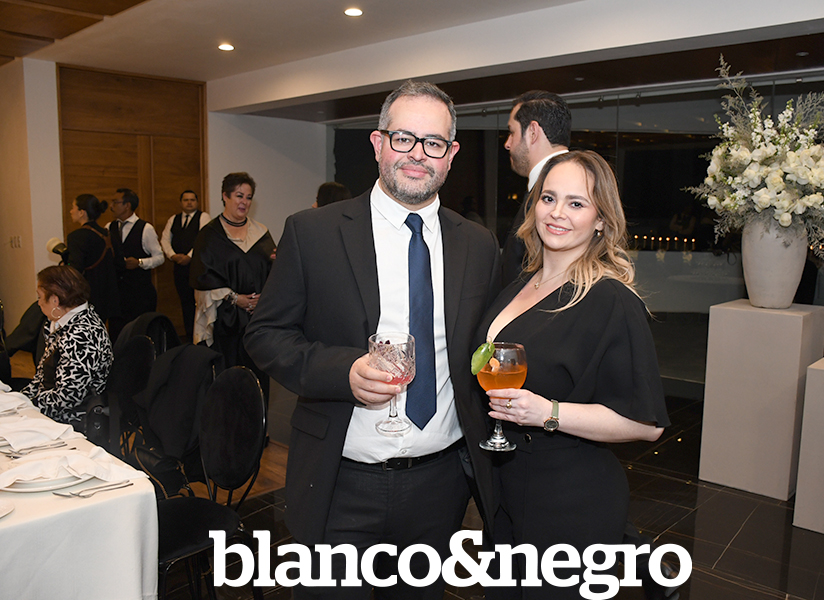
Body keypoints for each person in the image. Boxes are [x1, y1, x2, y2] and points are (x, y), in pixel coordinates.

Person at [244, 80, 501, 599]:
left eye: (433, 142)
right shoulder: (313, 232)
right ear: (378, 143)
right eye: (404, 138)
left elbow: (486, 345)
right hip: (341, 480)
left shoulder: (478, 244)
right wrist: (342, 371)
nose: (417, 154)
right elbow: (266, 334)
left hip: (440, 483)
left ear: (451, 154)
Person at [501, 92, 679, 599]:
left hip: (570, 502)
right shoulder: (521, 283)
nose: (557, 213)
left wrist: (547, 413)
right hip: (509, 491)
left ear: (601, 219)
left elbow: (646, 424)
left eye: (576, 203)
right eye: (549, 198)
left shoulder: (611, 300)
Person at [190, 172, 275, 400]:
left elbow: (274, 270)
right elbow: (202, 277)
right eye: (239, 196)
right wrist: (235, 298)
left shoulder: (261, 234)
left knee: (256, 381)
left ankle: (257, 420)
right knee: (228, 381)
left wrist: (263, 297)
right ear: (225, 196)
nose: (244, 202)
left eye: (248, 197)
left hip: (256, 320)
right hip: (225, 321)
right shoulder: (209, 236)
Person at [22, 265, 113, 426]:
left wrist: (27, 408)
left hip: (73, 419)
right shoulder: (65, 323)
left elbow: (68, 397)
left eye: (40, 297)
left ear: (55, 300)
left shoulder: (81, 335)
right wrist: (20, 399)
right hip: (54, 408)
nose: (39, 303)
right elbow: (41, 378)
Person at [501, 90, 571, 286]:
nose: (507, 144)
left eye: (512, 132)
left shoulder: (554, 190)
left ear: (532, 132)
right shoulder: (568, 183)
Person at [107, 188, 165, 342]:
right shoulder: (109, 227)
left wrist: (140, 262)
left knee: (139, 333)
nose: (111, 206)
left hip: (139, 293)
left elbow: (160, 257)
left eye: (115, 202)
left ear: (127, 205)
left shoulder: (145, 228)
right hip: (117, 294)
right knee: (117, 335)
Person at [160, 190, 211, 336]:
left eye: (192, 200)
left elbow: (203, 239)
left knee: (199, 304)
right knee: (185, 303)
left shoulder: (203, 217)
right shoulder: (173, 219)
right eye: (186, 200)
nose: (189, 203)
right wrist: (173, 255)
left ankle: (201, 337)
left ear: (197, 202)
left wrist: (189, 256)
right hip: (179, 268)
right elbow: (165, 240)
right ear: (181, 202)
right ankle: (189, 336)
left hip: (198, 268)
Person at [66, 193, 120, 323]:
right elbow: (120, 263)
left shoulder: (76, 237)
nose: (71, 211)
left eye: (73, 207)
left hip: (87, 295)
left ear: (81, 212)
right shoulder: (109, 234)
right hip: (109, 295)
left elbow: (75, 269)